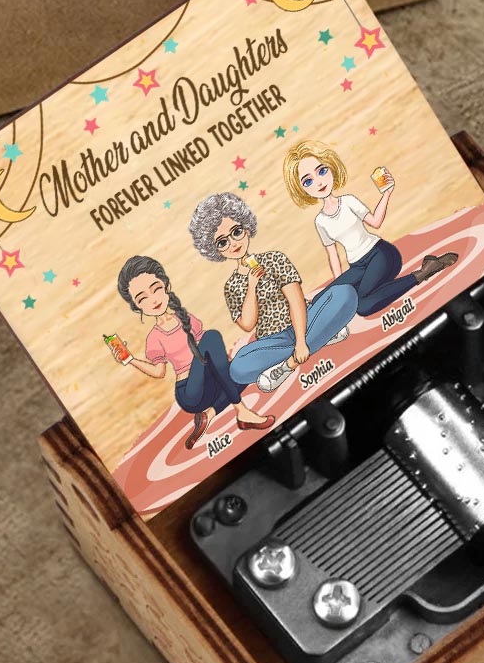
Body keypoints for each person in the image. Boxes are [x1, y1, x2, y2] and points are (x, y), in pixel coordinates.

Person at [188, 193, 358, 393]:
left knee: (345, 294)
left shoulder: (274, 259)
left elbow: (295, 299)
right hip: (274, 341)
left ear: (246, 228)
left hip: (305, 320)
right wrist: (252, 285)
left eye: (236, 232)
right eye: (222, 242)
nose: (233, 243)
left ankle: (288, 365)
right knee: (237, 368)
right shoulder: (231, 286)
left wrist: (301, 342)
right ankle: (323, 336)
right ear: (215, 250)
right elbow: (247, 324)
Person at [113, 255, 274, 450]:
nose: (153, 299)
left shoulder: (184, 317)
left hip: (210, 384)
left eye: (156, 289)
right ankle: (242, 412)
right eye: (142, 298)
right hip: (190, 393)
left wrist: (226, 366)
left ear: (166, 286)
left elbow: (210, 352)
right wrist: (130, 359)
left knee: (241, 372)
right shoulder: (154, 337)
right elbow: (159, 372)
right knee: (212, 337)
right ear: (137, 307)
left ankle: (209, 415)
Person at [281, 139, 457, 316]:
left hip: (381, 255)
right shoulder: (320, 221)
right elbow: (333, 255)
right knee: (321, 298)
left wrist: (387, 193)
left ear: (331, 167)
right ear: (302, 189)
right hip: (357, 266)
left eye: (322, 171)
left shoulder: (348, 201)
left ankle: (422, 273)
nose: (319, 182)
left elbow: (375, 222)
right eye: (308, 181)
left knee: (362, 305)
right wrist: (339, 290)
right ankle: (418, 272)